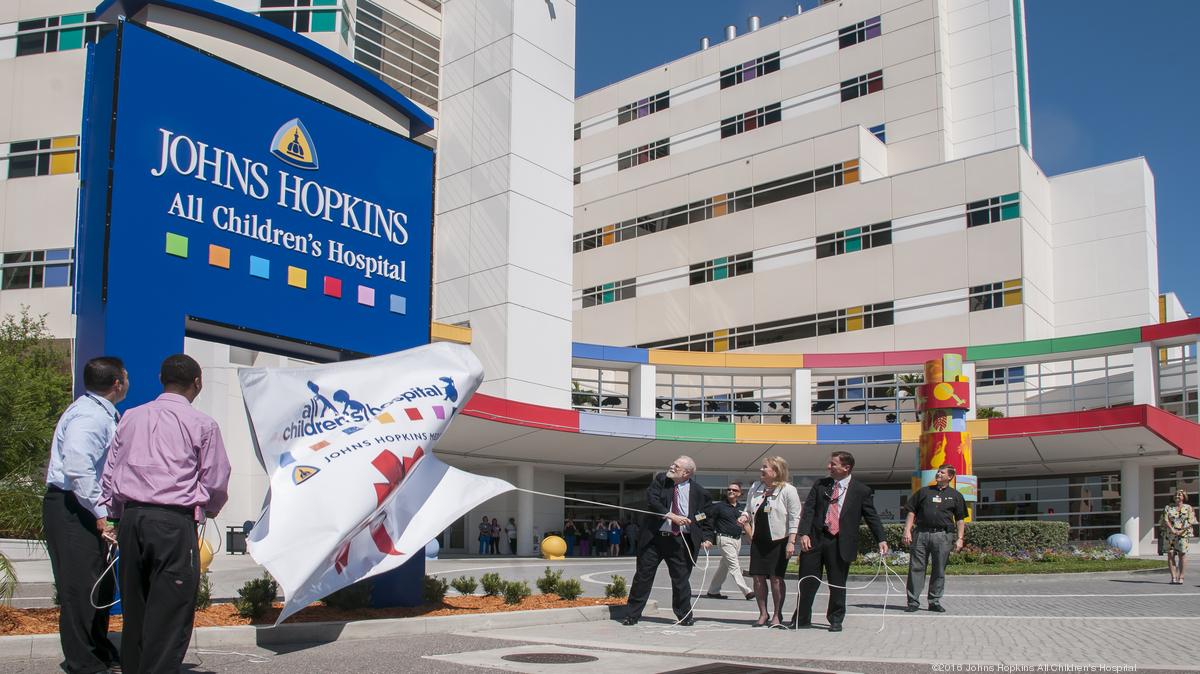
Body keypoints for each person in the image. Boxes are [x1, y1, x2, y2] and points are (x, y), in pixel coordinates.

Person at [100, 354, 231, 673]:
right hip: (173, 522)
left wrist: (115, 516)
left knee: (136, 607)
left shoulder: (130, 417)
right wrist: (209, 509)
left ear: (162, 378)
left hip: (133, 520)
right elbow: (216, 477)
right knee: (171, 610)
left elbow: (111, 471)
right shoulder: (202, 424)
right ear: (198, 383)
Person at [43, 356, 128, 674]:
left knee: (99, 585)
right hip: (72, 506)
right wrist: (100, 512)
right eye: (126, 377)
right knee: (80, 587)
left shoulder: (98, 412)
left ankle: (98, 649)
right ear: (117, 383)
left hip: (83, 505)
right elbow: (78, 466)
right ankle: (83, 663)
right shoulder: (89, 416)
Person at [793, 451, 887, 632]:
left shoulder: (861, 490)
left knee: (837, 583)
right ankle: (802, 618)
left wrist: (881, 539)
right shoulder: (821, 485)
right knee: (807, 580)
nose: (829, 467)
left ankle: (836, 619)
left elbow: (872, 517)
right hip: (815, 539)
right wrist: (804, 534)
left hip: (840, 542)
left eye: (833, 464)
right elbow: (809, 510)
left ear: (846, 467)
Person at [621, 456, 714, 626]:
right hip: (654, 540)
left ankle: (684, 615)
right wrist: (669, 514)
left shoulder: (701, 493)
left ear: (686, 473)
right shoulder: (661, 481)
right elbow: (652, 500)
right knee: (643, 577)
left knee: (681, 581)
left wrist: (707, 537)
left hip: (680, 542)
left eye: (676, 466)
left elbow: (706, 518)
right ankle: (631, 614)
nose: (671, 466)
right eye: (672, 463)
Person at [740, 459, 801, 627]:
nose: (761, 469)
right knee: (758, 578)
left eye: (765, 467)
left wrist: (791, 542)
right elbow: (748, 509)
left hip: (779, 540)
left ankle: (777, 614)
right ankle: (763, 614)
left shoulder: (788, 490)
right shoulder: (756, 487)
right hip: (759, 540)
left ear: (776, 471)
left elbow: (795, 517)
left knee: (776, 578)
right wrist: (745, 517)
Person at [902, 464, 967, 612]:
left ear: (950, 477)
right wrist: (907, 530)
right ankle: (913, 602)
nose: (938, 474)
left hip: (943, 536)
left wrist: (960, 538)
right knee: (916, 568)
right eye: (938, 472)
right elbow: (911, 512)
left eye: (942, 472)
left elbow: (960, 519)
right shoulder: (924, 492)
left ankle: (934, 601)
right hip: (921, 534)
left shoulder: (956, 495)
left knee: (939, 569)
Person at [704, 480, 755, 602]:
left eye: (735, 490)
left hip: (737, 541)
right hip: (724, 539)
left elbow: (747, 526)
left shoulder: (741, 509)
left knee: (724, 566)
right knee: (734, 565)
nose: (731, 491)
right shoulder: (718, 507)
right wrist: (707, 538)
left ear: (740, 494)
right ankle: (747, 591)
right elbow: (707, 521)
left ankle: (713, 591)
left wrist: (752, 540)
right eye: (729, 489)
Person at [1162, 489, 1197, 584]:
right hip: (1170, 534)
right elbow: (1166, 519)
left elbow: (1191, 520)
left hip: (1183, 534)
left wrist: (1181, 530)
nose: (1177, 496)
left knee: (1182, 555)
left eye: (1179, 495)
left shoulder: (1188, 507)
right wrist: (1173, 530)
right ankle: (1173, 577)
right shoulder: (1168, 507)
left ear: (1183, 497)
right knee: (1170, 554)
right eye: (1176, 495)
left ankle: (1181, 577)